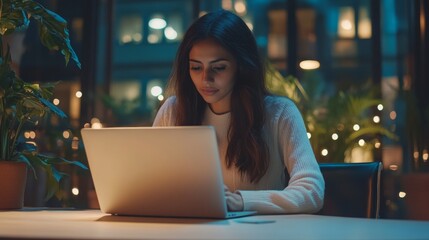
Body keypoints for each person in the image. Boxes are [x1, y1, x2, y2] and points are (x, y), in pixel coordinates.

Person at [152, 9, 324, 215]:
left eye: (219, 67)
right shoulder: (173, 111)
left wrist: (240, 201)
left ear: (241, 66)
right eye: (196, 68)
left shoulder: (279, 113)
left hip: (262, 233)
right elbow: (151, 184)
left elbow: (311, 191)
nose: (206, 79)